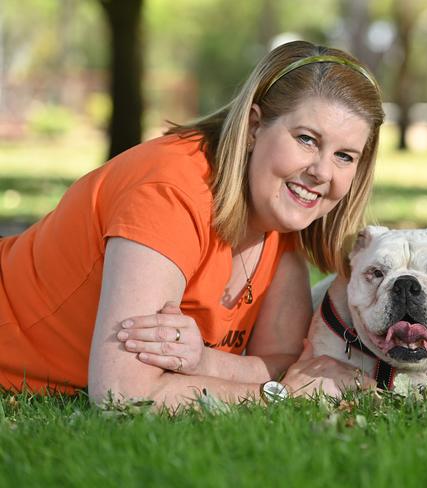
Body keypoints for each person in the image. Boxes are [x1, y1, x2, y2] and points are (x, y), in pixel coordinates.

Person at [0, 40, 385, 407]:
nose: (321, 171)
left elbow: (283, 360)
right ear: (254, 127)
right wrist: (281, 396)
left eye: (345, 156)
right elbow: (123, 394)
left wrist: (204, 363)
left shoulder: (279, 217)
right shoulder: (169, 192)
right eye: (306, 139)